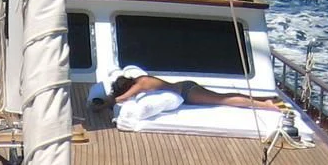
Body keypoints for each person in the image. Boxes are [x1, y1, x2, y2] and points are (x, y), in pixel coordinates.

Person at [109, 72, 285, 112]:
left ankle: (265, 105)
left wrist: (105, 103)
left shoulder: (141, 84)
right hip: (186, 87)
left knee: (225, 100)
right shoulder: (141, 78)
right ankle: (264, 98)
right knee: (223, 97)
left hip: (187, 92)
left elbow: (123, 98)